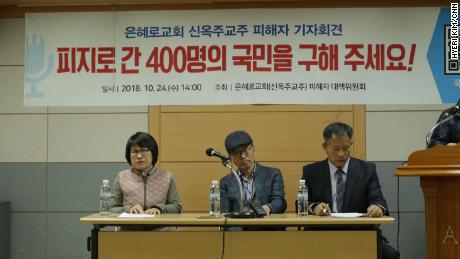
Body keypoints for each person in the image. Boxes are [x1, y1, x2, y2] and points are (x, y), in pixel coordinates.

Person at [302, 122, 399, 259]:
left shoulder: (367, 170)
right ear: (325, 147)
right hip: (322, 233)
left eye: (346, 148)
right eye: (335, 149)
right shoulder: (311, 171)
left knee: (391, 255)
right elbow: (301, 203)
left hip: (359, 233)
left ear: (351, 144)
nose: (341, 154)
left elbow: (378, 199)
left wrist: (376, 207)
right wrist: (314, 207)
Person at [109, 132, 181, 216]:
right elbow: (111, 208)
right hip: (129, 228)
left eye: (143, 150)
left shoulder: (167, 177)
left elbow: (176, 207)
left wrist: (159, 208)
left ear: (153, 153)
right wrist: (129, 209)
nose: (139, 156)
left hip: (160, 228)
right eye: (135, 151)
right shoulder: (122, 177)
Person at [220, 130, 287, 217]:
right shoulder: (226, 182)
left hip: (266, 225)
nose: (243, 156)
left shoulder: (273, 174)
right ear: (230, 157)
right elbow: (224, 212)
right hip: (238, 228)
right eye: (237, 153)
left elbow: (279, 202)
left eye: (246, 151)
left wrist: (268, 208)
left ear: (253, 149)